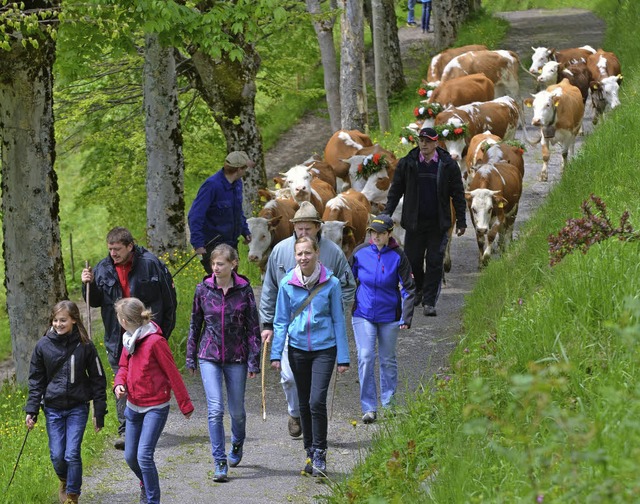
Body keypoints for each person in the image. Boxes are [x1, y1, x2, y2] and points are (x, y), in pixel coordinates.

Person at [259, 201, 355, 439]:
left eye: (308, 229)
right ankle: (295, 413)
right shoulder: (281, 251)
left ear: (318, 228)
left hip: (322, 331)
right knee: (289, 377)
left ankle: (315, 434)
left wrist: (333, 310)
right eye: (299, 228)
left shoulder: (333, 252)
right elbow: (270, 288)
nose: (303, 233)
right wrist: (268, 323)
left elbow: (348, 285)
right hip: (291, 328)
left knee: (316, 387)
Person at [81, 227, 176, 450]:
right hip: (117, 338)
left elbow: (169, 301)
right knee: (121, 381)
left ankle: (148, 420)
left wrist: (163, 333)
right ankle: (126, 430)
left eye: (117, 249)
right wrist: (88, 284)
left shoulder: (150, 263)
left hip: (147, 337)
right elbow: (94, 301)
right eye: (110, 249)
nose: (113, 253)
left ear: (130, 246)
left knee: (145, 378)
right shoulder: (103, 269)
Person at [270, 236, 350, 477]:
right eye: (299, 254)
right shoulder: (286, 283)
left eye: (307, 253)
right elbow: (281, 321)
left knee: (317, 401)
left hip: (324, 349)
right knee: (303, 402)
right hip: (297, 349)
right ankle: (309, 452)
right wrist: (276, 353)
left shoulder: (332, 283)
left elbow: (338, 319)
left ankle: (321, 453)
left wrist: (343, 357)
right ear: (295, 256)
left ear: (317, 254)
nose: (303, 257)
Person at [186, 244, 261, 483]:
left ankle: (237, 442)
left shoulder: (244, 290)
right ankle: (219, 460)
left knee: (237, 411)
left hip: (237, 356)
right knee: (215, 409)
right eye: (213, 264)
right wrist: (190, 356)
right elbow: (194, 325)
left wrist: (253, 360)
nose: (216, 268)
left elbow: (253, 328)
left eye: (220, 264)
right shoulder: (203, 289)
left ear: (233, 264)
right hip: (209, 354)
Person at [25, 300, 107, 504]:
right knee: (57, 456)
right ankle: (64, 479)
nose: (58, 324)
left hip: (77, 407)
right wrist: (32, 409)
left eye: (63, 320)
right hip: (52, 408)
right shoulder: (43, 345)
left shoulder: (85, 345)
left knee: (72, 453)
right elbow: (36, 380)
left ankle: (72, 494)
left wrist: (99, 410)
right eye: (55, 320)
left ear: (73, 320)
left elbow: (98, 378)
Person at [113, 297, 193, 504]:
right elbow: (123, 367)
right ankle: (146, 484)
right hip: (133, 406)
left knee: (144, 456)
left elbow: (172, 372)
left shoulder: (155, 341)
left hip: (155, 407)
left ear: (125, 319)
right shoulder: (129, 339)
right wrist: (119, 384)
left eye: (118, 317)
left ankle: (152, 500)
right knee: (130, 457)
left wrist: (185, 404)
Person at [382, 127, 466, 317]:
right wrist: (387, 213)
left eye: (428, 141)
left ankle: (429, 301)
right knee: (413, 260)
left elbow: (458, 194)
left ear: (436, 143)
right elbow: (395, 191)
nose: (424, 144)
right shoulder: (407, 163)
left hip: (438, 223)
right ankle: (418, 289)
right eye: (421, 140)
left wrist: (461, 220)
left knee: (435, 262)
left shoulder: (448, 165)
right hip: (414, 223)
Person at [349, 215, 416, 424]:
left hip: (390, 315)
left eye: (380, 233)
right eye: (372, 232)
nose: (376, 236)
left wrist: (406, 315)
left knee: (387, 359)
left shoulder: (398, 256)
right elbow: (347, 281)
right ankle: (368, 408)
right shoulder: (360, 253)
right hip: (363, 313)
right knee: (366, 356)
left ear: (389, 234)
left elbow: (408, 287)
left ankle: (389, 404)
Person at [187, 150, 255, 274]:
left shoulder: (237, 184)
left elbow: (238, 211)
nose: (245, 172)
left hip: (231, 243)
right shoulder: (211, 186)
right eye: (245, 168)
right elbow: (195, 215)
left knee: (233, 281)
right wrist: (198, 244)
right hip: (214, 245)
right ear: (239, 169)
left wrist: (245, 230)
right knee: (219, 284)